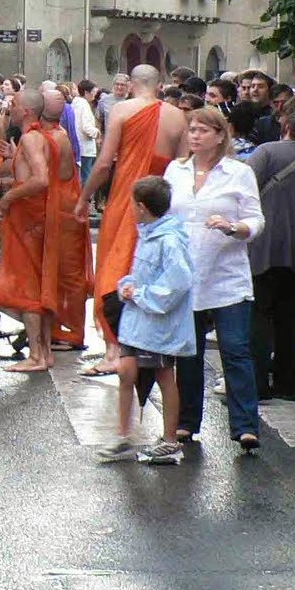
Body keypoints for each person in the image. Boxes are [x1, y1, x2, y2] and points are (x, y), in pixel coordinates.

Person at [75, 64, 189, 373]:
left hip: (128, 198)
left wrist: (84, 198)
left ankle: (114, 350)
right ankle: (143, 347)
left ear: (131, 84)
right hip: (162, 201)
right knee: (149, 273)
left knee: (114, 268)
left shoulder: (122, 110)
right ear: (160, 84)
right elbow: (182, 166)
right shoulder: (177, 116)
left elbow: (103, 164)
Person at [164, 107, 265, 452]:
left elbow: (256, 219)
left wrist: (234, 227)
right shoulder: (175, 170)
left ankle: (245, 426)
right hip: (185, 273)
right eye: (192, 129)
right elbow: (165, 215)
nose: (194, 136)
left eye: (203, 130)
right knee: (187, 353)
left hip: (226, 275)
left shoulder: (239, 172)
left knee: (235, 349)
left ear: (220, 135)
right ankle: (186, 422)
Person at [97, 175, 194, 466]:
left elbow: (178, 282)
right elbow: (142, 274)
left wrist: (139, 294)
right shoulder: (149, 234)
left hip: (157, 326)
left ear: (141, 207)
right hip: (137, 322)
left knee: (164, 375)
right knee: (126, 372)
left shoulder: (169, 240)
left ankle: (169, 440)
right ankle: (122, 436)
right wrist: (128, 287)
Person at [246, 100, 295, 401]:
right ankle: (287, 382)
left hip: (262, 247)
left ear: (285, 126)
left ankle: (257, 383)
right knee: (291, 319)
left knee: (258, 317)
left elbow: (244, 189)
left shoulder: (266, 152)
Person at [0, 90, 53, 372]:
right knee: (35, 287)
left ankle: (36, 356)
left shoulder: (30, 138)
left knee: (26, 288)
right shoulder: (35, 138)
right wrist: (13, 158)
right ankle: (43, 353)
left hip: (28, 220)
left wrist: (8, 197)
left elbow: (40, 179)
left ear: (26, 111)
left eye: (14, 105)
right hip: (31, 219)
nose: (10, 108)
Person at [39, 86, 94, 351]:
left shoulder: (54, 137)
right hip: (64, 205)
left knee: (67, 273)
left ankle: (71, 333)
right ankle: (57, 328)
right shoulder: (53, 135)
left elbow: (41, 179)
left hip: (63, 208)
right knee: (59, 270)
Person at [72, 80, 100, 182]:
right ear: (86, 92)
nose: (94, 95)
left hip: (77, 144)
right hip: (85, 147)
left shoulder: (75, 103)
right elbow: (86, 127)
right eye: (93, 92)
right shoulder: (84, 105)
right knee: (86, 176)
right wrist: (97, 132)